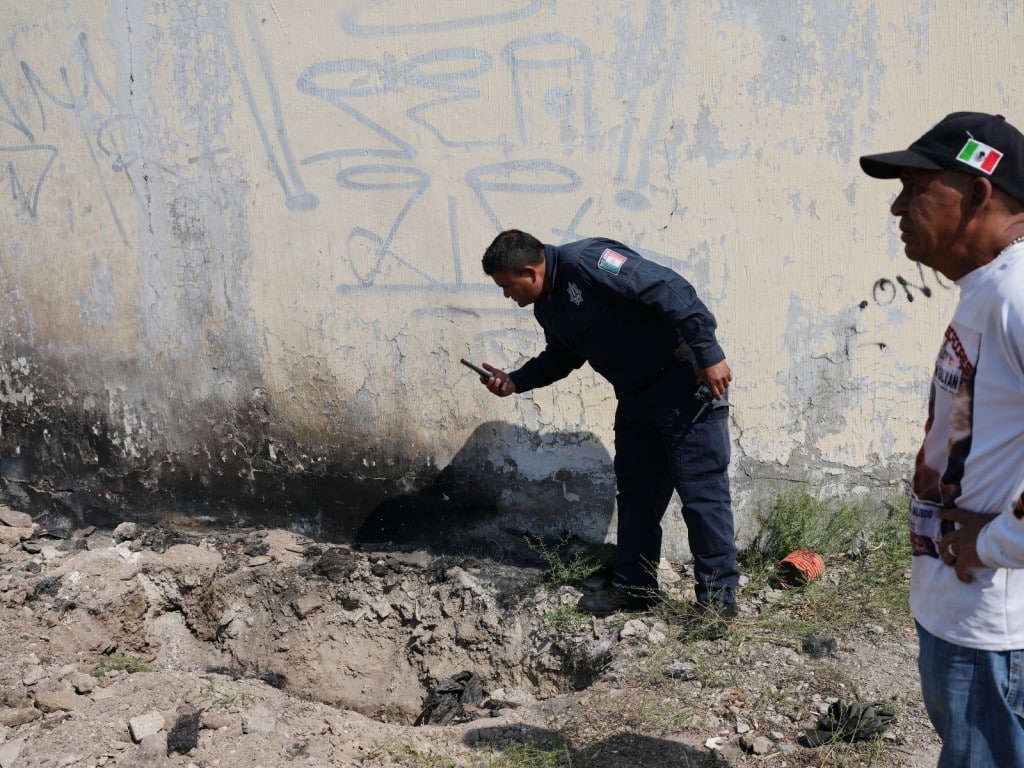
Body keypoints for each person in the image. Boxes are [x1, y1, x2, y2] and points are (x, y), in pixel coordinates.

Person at [860, 111, 1024, 766]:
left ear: (979, 192)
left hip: (995, 626)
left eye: (916, 186)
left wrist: (997, 542)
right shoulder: (989, 291)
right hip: (963, 614)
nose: (899, 204)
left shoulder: (1016, 294)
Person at [476, 229, 739, 618]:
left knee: (702, 493)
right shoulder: (548, 306)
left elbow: (668, 286)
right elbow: (562, 356)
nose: (506, 296)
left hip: (684, 383)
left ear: (529, 272)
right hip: (636, 398)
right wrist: (516, 380)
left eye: (506, 286)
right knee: (637, 496)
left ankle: (717, 603)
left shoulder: (588, 262)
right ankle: (636, 587)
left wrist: (709, 352)